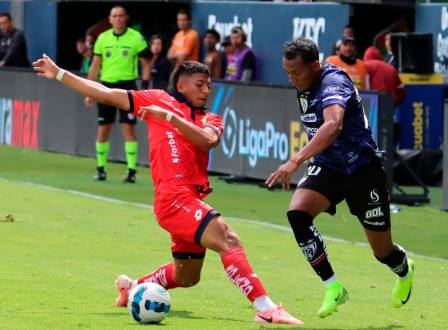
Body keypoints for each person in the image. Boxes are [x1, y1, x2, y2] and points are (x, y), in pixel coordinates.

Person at [33, 54, 303, 326]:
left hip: (190, 200)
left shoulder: (211, 118)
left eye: (209, 85)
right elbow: (105, 93)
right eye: (200, 84)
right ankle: (265, 308)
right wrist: (59, 73)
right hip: (172, 200)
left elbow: (208, 141)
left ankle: (133, 286)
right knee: (228, 239)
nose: (206, 90)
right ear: (182, 85)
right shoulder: (156, 99)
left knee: (187, 277)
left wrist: (172, 119)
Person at [266, 38, 414, 319]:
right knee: (297, 213)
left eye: (296, 73)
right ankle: (333, 287)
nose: (292, 79)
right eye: (287, 73)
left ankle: (404, 268)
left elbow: (333, 125)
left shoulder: (333, 82)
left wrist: (296, 160)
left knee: (382, 252)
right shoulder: (303, 85)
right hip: (328, 168)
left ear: (316, 65)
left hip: (362, 171)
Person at [85, 5, 151, 183]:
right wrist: (89, 91)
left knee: (128, 127)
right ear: (110, 19)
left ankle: (131, 171)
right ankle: (101, 169)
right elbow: (95, 65)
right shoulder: (102, 38)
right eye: (115, 16)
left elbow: (146, 63)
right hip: (105, 87)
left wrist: (144, 88)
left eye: (121, 16)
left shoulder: (136, 38)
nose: (119, 19)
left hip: (128, 87)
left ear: (126, 18)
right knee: (103, 127)